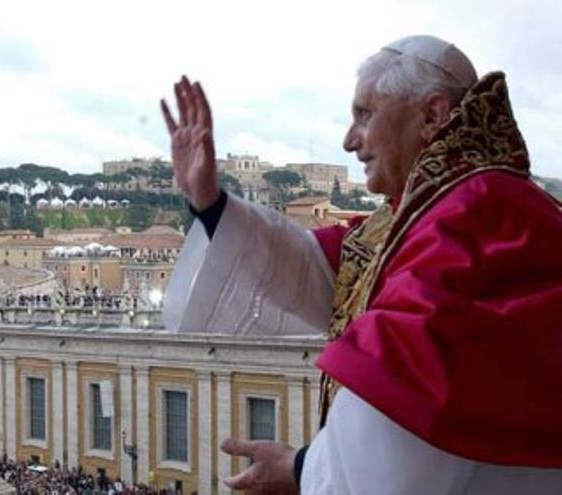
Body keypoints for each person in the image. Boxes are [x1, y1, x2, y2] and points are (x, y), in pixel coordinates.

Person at [161, 35, 562, 494]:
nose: (350, 141)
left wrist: (302, 468)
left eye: (365, 115)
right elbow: (320, 274)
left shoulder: (472, 223)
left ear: (432, 115)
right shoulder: (437, 210)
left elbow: (390, 443)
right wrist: (210, 202)